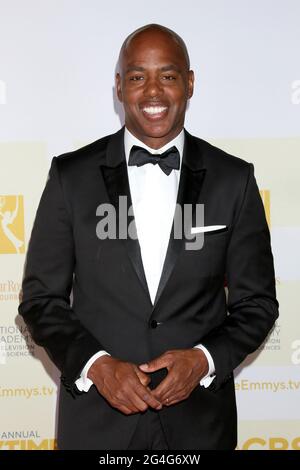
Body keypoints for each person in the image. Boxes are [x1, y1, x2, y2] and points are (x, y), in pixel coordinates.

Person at [19, 24, 279, 450]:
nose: (153, 92)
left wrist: (203, 360)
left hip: (199, 426)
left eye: (169, 76)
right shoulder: (71, 177)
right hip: (96, 426)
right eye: (138, 77)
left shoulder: (234, 179)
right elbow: (40, 301)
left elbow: (258, 304)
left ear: (190, 83)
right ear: (119, 87)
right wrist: (97, 367)